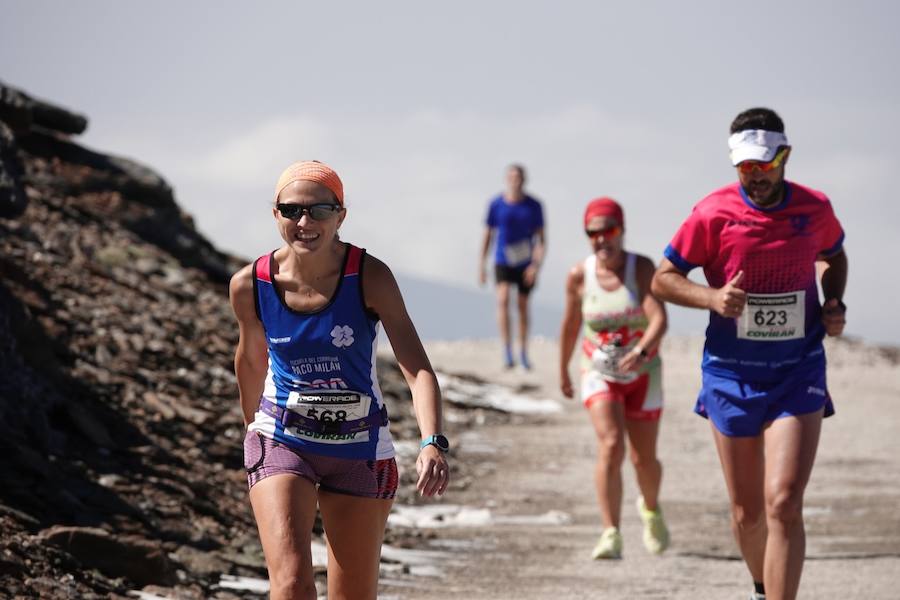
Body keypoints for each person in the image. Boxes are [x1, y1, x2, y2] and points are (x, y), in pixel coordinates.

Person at [229, 160, 450, 600]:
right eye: (291, 210)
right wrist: (252, 429)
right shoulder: (250, 284)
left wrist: (432, 441)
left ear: (341, 214)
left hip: (359, 448)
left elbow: (417, 367)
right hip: (282, 439)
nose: (304, 222)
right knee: (290, 584)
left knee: (351, 594)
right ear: (275, 214)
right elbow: (251, 362)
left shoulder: (369, 276)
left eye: (319, 211)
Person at [651, 108, 848, 600]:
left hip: (796, 370)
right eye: (745, 169)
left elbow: (835, 254)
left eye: (764, 166)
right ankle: (762, 587)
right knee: (748, 512)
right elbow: (663, 279)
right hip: (731, 374)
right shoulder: (712, 213)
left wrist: (833, 302)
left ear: (785, 157)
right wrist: (712, 298)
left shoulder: (813, 209)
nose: (755, 178)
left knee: (783, 503)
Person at [559, 197, 670, 560]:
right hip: (598, 371)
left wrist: (639, 352)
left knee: (643, 459)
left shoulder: (641, 268)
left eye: (610, 230)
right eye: (593, 233)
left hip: (643, 373)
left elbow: (658, 319)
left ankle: (650, 509)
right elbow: (571, 325)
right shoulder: (579, 275)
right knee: (611, 445)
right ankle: (611, 532)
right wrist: (562, 369)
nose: (602, 239)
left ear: (622, 230)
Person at [479, 164, 546, 369]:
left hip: (525, 262)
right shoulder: (496, 204)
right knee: (503, 299)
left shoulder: (534, 206)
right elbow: (488, 235)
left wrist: (535, 266)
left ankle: (523, 351)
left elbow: (541, 240)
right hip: (502, 259)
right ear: (506, 179)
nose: (515, 180)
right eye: (511, 176)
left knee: (523, 306)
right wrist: (481, 264)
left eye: (518, 176)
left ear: (524, 180)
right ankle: (507, 350)